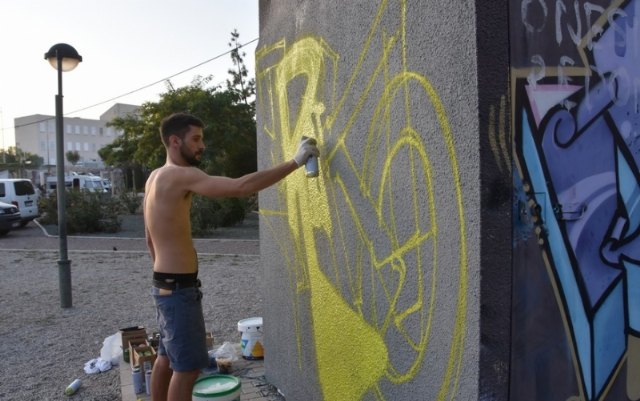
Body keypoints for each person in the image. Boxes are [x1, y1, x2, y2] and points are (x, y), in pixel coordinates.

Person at [144, 112, 319, 401]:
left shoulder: (154, 177)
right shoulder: (181, 175)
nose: (202, 146)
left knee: (165, 357)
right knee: (186, 370)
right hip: (178, 289)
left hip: (163, 285)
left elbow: (149, 239)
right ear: (175, 141)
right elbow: (240, 187)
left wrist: (167, 276)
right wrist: (295, 162)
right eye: (196, 139)